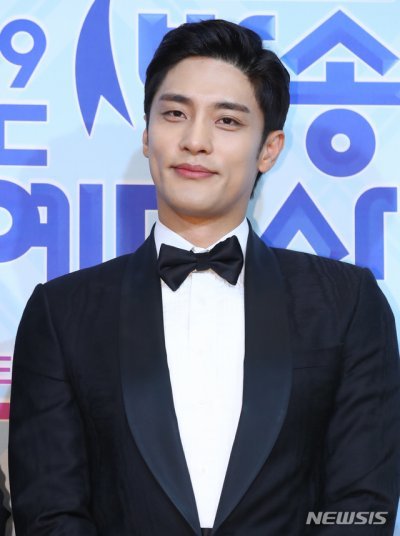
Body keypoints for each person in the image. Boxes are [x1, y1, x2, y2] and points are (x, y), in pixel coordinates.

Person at [9, 19, 400, 535]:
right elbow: (49, 512)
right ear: (147, 135)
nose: (195, 141)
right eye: (175, 114)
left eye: (228, 121)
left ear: (269, 149)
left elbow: (362, 507)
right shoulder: (63, 313)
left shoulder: (345, 304)